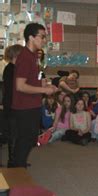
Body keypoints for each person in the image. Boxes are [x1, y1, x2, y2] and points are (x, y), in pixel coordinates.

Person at [10, 23, 57, 167]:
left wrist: (44, 85)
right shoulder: (25, 56)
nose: (44, 40)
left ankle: (19, 166)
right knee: (25, 140)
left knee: (29, 139)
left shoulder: (32, 56)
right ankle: (17, 170)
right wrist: (44, 90)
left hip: (32, 105)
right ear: (31, 37)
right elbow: (20, 86)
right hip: (24, 107)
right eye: (42, 37)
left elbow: (30, 81)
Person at [1, 44, 23, 166]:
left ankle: (17, 159)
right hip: (12, 105)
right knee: (13, 133)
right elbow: (13, 89)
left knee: (18, 133)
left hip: (16, 104)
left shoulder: (16, 68)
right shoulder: (10, 69)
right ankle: (12, 160)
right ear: (16, 55)